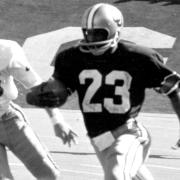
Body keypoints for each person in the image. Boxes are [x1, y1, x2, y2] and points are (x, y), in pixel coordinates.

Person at [26, 3, 180, 180]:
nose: (91, 39)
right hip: (99, 138)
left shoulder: (139, 57)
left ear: (115, 29)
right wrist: (47, 101)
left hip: (129, 133)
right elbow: (57, 92)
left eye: (98, 33)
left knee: (115, 175)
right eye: (88, 33)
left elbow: (174, 89)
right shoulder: (71, 57)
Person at [0, 39, 77, 180]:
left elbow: (36, 86)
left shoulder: (5, 51)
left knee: (48, 175)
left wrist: (57, 120)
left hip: (8, 119)